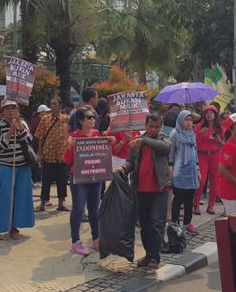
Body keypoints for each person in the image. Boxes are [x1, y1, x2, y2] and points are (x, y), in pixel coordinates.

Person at [119, 113, 171, 270]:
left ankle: (155, 257)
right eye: (151, 126)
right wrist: (123, 168)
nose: (154, 129)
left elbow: (165, 148)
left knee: (156, 223)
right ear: (146, 125)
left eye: (157, 127)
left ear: (160, 127)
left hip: (160, 189)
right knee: (145, 224)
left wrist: (145, 140)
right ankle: (148, 254)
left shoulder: (164, 139)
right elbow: (130, 161)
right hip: (140, 189)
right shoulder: (138, 142)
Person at [63, 106, 113, 255]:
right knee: (78, 208)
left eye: (93, 117)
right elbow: (67, 160)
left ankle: (96, 239)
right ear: (80, 120)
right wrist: (70, 147)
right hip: (79, 178)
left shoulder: (97, 134)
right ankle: (75, 241)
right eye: (89, 117)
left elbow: (106, 154)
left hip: (96, 177)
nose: (92, 119)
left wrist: (110, 141)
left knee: (94, 209)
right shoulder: (74, 136)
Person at [0, 100, 35, 240]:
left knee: (21, 198)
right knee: (5, 197)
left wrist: (19, 129)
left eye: (13, 108)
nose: (11, 111)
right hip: (7, 165)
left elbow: (30, 140)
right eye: (7, 108)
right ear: (2, 112)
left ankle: (14, 228)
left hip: (23, 165)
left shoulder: (22, 123)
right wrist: (10, 132)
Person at [34, 97, 70, 212]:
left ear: (60, 106)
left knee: (62, 180)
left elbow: (71, 136)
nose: (52, 106)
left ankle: (61, 203)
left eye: (55, 104)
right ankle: (43, 203)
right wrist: (39, 152)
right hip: (48, 154)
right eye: (51, 103)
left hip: (62, 155)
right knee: (46, 180)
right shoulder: (45, 119)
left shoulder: (66, 119)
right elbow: (40, 136)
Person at [170, 110, 200, 235]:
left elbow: (195, 152)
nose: (189, 122)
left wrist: (198, 168)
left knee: (189, 199)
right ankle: (175, 224)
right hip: (179, 171)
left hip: (191, 170)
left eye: (190, 120)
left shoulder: (191, 133)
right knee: (178, 198)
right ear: (180, 120)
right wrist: (171, 168)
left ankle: (187, 223)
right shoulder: (175, 134)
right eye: (186, 120)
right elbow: (171, 153)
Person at [193, 105, 223, 215]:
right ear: (204, 115)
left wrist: (219, 140)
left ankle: (211, 205)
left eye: (211, 112)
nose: (209, 114)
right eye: (207, 113)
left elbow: (224, 144)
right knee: (202, 180)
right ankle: (195, 205)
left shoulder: (219, 128)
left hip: (215, 155)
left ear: (215, 115)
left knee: (214, 181)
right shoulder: (200, 127)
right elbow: (194, 140)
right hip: (202, 155)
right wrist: (200, 134)